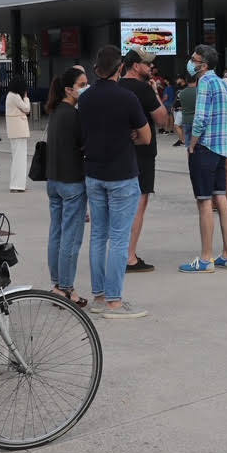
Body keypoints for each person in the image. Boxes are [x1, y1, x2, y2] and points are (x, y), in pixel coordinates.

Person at [79, 45, 152, 317]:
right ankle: (114, 301)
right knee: (119, 239)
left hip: (94, 173)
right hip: (122, 174)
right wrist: (130, 135)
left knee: (98, 235)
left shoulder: (85, 98)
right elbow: (146, 136)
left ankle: (99, 297)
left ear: (97, 69)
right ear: (120, 68)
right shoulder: (127, 97)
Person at [180, 45, 227, 272]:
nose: (191, 62)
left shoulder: (204, 82)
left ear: (203, 65)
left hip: (204, 148)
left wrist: (192, 144)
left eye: (194, 59)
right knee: (220, 198)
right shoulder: (222, 83)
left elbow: (201, 118)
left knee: (204, 202)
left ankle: (205, 259)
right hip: (221, 149)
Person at [119, 47, 169, 273]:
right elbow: (162, 119)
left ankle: (117, 252)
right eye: (147, 64)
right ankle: (129, 256)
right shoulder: (143, 89)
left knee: (118, 206)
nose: (151, 67)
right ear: (136, 66)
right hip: (142, 155)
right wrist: (155, 93)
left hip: (117, 154)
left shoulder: (116, 86)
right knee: (139, 204)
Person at [45, 67, 89, 304]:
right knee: (71, 238)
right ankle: (67, 287)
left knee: (56, 233)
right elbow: (85, 144)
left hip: (53, 180)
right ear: (69, 89)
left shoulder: (55, 112)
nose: (85, 87)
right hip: (72, 182)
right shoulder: (74, 115)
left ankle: (57, 285)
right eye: (82, 84)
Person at [4, 74, 32, 193]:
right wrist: (26, 97)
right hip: (18, 130)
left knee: (18, 158)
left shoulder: (11, 95)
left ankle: (18, 184)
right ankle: (17, 185)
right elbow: (26, 109)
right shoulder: (15, 96)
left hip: (16, 130)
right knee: (19, 158)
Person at [177, 72, 198, 149]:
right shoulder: (199, 92)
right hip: (197, 120)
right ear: (196, 80)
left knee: (188, 144)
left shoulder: (181, 93)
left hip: (186, 120)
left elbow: (182, 106)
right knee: (197, 145)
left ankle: (190, 159)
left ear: (186, 80)